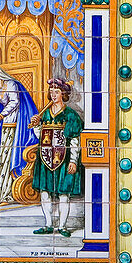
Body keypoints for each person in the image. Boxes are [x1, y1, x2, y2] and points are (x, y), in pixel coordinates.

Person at [0, 59, 39, 205]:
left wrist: (1, 115)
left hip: (16, 126)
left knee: (10, 158)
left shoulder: (10, 83)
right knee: (3, 158)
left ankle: (9, 193)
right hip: (5, 126)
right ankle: (4, 193)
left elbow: (15, 102)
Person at [28, 78, 84, 236]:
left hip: (64, 159)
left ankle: (62, 227)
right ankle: (48, 224)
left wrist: (73, 161)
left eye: (56, 92)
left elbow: (74, 140)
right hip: (45, 159)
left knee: (63, 193)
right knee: (45, 192)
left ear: (63, 94)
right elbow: (40, 137)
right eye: (51, 92)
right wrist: (36, 125)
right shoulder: (44, 113)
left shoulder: (71, 115)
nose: (53, 95)